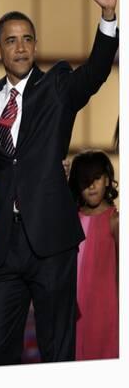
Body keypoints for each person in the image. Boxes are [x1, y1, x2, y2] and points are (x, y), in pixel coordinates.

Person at [0, 0, 119, 365]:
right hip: (6, 245)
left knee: (57, 352)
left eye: (27, 39)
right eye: (11, 40)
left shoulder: (57, 85)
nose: (20, 47)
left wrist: (108, 16)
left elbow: (94, 72)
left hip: (53, 244)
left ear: (35, 46)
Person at [68, 150, 119, 360]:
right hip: (76, 306)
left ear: (107, 180)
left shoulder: (115, 221)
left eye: (96, 178)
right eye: (85, 180)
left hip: (107, 306)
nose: (91, 186)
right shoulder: (72, 219)